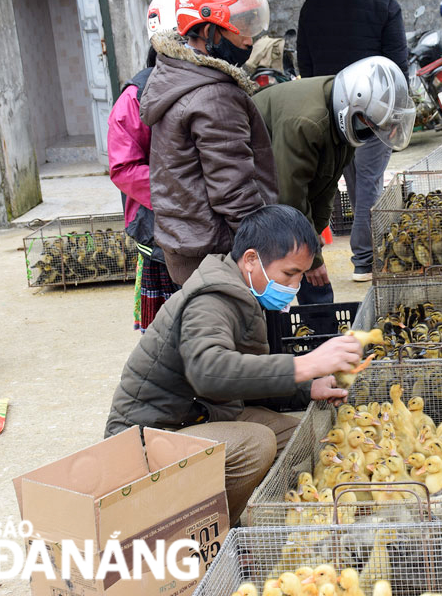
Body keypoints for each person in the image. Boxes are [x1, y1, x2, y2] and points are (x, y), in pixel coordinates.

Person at [105, 205, 362, 525]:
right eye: (289, 274)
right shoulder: (211, 298)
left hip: (197, 416)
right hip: (146, 441)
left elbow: (247, 375)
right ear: (252, 260)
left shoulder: (241, 291)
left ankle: (272, 517)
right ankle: (215, 534)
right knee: (256, 445)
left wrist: (308, 387)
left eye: (299, 275)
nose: (295, 287)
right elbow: (209, 371)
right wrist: (306, 365)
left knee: (298, 438)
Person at [141, 0, 278, 285]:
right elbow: (234, 191)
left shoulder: (177, 74)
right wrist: (265, 253)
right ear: (207, 29)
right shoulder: (214, 94)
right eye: (241, 27)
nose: (249, 38)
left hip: (188, 245)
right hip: (217, 254)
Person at [253, 56, 415, 304]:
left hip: (278, 186)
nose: (369, 132)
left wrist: (314, 233)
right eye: (368, 124)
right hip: (250, 182)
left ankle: (320, 328)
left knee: (312, 275)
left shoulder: (345, 125)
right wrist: (312, 259)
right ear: (350, 105)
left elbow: (325, 187)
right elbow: (289, 198)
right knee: (290, 276)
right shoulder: (308, 123)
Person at [297, 0, 408, 282]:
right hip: (374, 110)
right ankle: (364, 259)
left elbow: (305, 63)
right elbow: (398, 68)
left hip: (330, 109)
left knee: (351, 180)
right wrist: (396, 115)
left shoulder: (313, 5)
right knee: (369, 182)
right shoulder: (386, 7)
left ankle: (364, 253)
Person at [108, 0, 180, 332]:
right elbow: (124, 168)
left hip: (198, 222)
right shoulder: (135, 96)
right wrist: (177, 195)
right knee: (170, 332)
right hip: (158, 225)